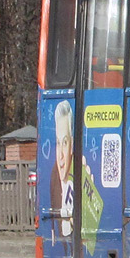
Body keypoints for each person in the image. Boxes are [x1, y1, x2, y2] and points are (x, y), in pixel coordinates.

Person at [49, 100, 75, 238]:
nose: (60, 156)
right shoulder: (53, 179)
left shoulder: (82, 177)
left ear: (72, 145)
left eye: (64, 143)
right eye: (58, 143)